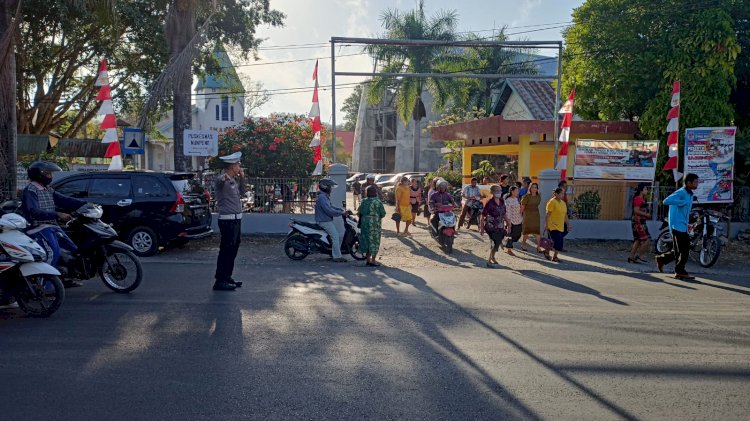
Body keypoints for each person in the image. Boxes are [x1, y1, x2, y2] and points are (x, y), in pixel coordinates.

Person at [21, 161, 87, 288]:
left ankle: (64, 277)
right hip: (38, 228)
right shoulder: (31, 190)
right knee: (52, 253)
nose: (50, 176)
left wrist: (85, 204)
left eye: (50, 173)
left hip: (51, 226)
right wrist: (57, 214)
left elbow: (63, 200)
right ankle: (42, 285)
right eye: (47, 173)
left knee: (72, 249)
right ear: (38, 175)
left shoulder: (47, 189)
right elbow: (33, 211)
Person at [212, 152, 246, 291]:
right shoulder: (223, 179)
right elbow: (219, 182)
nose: (240, 167)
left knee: (233, 249)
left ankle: (227, 276)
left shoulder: (232, 180)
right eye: (238, 164)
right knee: (226, 250)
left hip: (236, 220)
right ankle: (220, 280)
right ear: (232, 166)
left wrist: (242, 178)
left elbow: (242, 193)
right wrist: (223, 178)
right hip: (227, 221)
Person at [656, 174, 700, 280]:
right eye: (695, 182)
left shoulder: (689, 194)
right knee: (684, 249)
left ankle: (662, 259)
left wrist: (687, 224)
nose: (697, 184)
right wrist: (681, 202)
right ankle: (680, 271)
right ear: (688, 183)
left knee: (678, 250)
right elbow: (666, 201)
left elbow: (683, 212)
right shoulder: (681, 192)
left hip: (682, 225)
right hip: (676, 226)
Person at [315, 178, 346, 263]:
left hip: (325, 220)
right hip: (324, 221)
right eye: (330, 187)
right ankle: (337, 256)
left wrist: (341, 210)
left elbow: (331, 207)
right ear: (325, 187)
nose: (331, 189)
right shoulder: (322, 197)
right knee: (335, 236)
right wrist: (341, 213)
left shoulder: (324, 196)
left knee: (333, 236)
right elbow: (329, 210)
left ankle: (332, 252)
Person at [479, 185, 507, 267]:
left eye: (500, 190)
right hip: (491, 226)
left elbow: (504, 213)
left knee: (497, 242)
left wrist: (508, 222)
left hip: (500, 225)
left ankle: (493, 256)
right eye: (497, 191)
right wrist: (481, 228)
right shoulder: (489, 202)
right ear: (492, 192)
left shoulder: (502, 201)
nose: (499, 192)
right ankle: (489, 261)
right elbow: (483, 215)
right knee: (494, 242)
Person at [358, 185, 386, 267]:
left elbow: (360, 212)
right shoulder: (378, 202)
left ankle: (368, 260)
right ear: (375, 192)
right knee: (374, 241)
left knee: (366, 240)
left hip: (365, 223)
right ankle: (373, 261)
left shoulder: (364, 201)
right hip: (375, 223)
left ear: (367, 193)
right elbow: (383, 214)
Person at [628, 183, 652, 264]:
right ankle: (639, 255)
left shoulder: (642, 199)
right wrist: (646, 215)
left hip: (639, 221)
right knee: (647, 239)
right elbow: (636, 210)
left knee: (638, 240)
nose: (647, 190)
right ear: (641, 190)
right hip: (638, 222)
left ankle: (631, 257)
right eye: (645, 189)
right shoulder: (638, 198)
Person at [545, 187, 569, 262]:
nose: (563, 195)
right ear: (556, 194)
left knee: (555, 242)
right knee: (558, 240)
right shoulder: (552, 202)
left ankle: (547, 252)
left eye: (563, 193)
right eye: (561, 193)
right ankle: (555, 257)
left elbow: (565, 215)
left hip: (561, 225)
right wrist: (546, 224)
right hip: (553, 225)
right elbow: (548, 214)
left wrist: (568, 224)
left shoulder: (563, 203)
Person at [520, 182, 542, 252]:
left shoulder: (539, 196)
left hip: (536, 214)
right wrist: (520, 215)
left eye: (535, 187)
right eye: (533, 187)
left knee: (537, 231)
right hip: (527, 215)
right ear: (530, 188)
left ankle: (539, 247)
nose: (534, 189)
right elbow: (522, 207)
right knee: (527, 231)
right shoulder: (526, 196)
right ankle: (523, 243)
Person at [504, 186, 523, 256]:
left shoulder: (516, 199)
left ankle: (506, 243)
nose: (517, 192)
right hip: (511, 220)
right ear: (512, 191)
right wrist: (508, 222)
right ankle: (509, 249)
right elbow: (507, 211)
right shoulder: (508, 200)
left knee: (518, 234)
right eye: (516, 191)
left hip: (518, 219)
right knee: (511, 235)